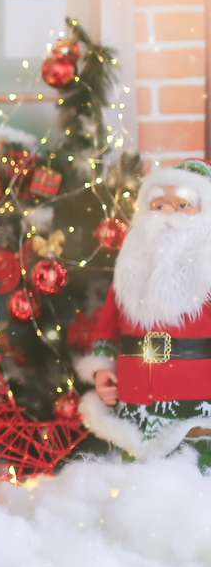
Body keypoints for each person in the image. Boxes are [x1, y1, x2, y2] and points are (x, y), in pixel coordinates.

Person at [78, 158, 211, 464]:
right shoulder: (132, 266)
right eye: (159, 204)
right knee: (139, 480)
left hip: (195, 398)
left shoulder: (205, 269)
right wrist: (102, 371)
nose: (167, 213)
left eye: (181, 205)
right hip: (136, 395)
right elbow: (109, 325)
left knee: (194, 475)